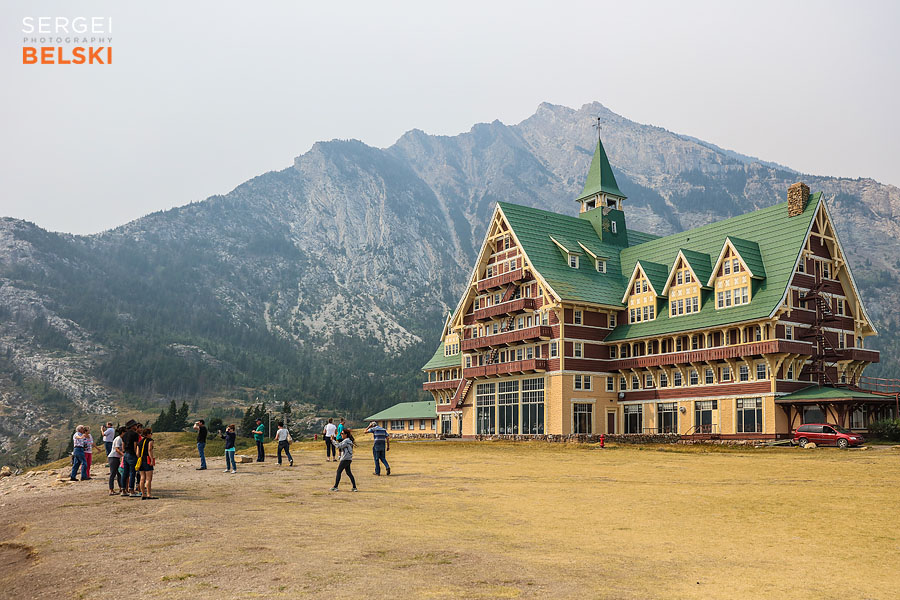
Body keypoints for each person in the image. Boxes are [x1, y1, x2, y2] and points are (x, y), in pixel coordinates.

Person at [330, 427, 357, 492]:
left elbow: (339, 446)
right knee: (348, 473)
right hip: (348, 459)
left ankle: (335, 487)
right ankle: (354, 487)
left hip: (345, 459)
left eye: (342, 433)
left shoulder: (346, 441)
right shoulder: (348, 441)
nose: (341, 435)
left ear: (346, 435)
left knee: (339, 472)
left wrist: (333, 440)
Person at [120, 420, 141, 497]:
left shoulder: (124, 435)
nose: (136, 426)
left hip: (126, 454)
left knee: (125, 473)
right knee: (132, 472)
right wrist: (137, 455)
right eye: (135, 425)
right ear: (132, 426)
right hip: (132, 454)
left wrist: (124, 451)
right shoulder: (135, 434)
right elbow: (135, 445)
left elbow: (123, 446)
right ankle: (131, 490)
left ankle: (123, 490)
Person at [137, 427, 157, 500]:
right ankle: (149, 494)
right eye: (151, 433)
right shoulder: (150, 441)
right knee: (148, 479)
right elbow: (149, 450)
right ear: (148, 434)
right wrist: (151, 459)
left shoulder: (140, 442)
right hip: (147, 460)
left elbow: (137, 453)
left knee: (142, 478)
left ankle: (143, 494)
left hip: (141, 460)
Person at [107, 426, 125, 495]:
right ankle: (111, 489)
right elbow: (117, 449)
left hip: (117, 457)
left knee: (119, 473)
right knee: (113, 473)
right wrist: (123, 454)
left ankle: (121, 487)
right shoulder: (118, 439)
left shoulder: (121, 439)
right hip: (113, 457)